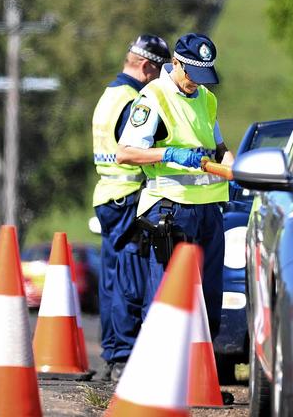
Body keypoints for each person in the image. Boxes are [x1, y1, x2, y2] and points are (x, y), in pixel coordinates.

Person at [116, 33, 233, 339]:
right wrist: (169, 153)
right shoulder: (153, 97)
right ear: (175, 63)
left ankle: (199, 381)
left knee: (208, 299)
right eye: (191, 74)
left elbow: (219, 148)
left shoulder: (207, 99)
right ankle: (158, 382)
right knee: (167, 298)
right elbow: (125, 153)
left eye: (203, 76)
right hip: (171, 211)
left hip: (209, 211)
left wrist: (233, 165)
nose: (196, 82)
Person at [92, 34, 171, 382]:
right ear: (146, 66)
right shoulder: (133, 100)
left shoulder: (111, 94)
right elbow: (136, 147)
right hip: (126, 195)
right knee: (129, 277)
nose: (160, 79)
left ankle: (112, 353)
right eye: (159, 71)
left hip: (108, 194)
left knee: (112, 279)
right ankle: (123, 354)